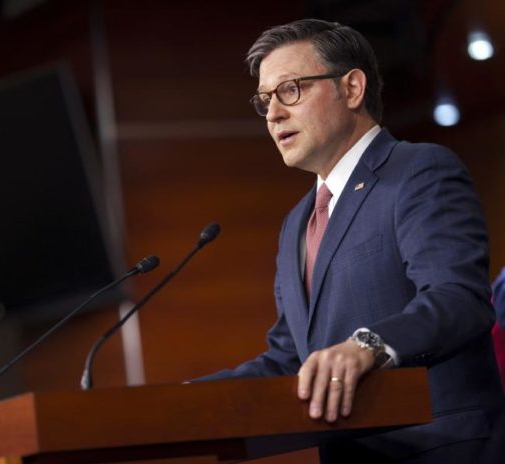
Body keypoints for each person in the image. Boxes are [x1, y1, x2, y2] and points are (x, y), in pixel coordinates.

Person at [197, 19, 504, 463]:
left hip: (441, 449)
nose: (273, 114)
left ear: (352, 88)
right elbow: (291, 358)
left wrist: (368, 346)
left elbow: (458, 297)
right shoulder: (295, 224)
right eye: (265, 100)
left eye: (290, 90)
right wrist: (186, 398)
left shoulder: (419, 170)